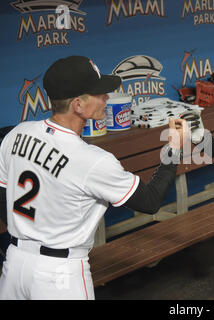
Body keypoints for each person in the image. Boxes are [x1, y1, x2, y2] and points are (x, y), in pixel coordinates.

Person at [0, 55, 189, 300]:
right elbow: (150, 201)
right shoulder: (92, 160)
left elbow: (3, 193)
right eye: (99, 93)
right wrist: (174, 149)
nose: (106, 98)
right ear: (77, 105)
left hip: (14, 264)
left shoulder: (18, 133)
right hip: (58, 275)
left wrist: (28, 230)